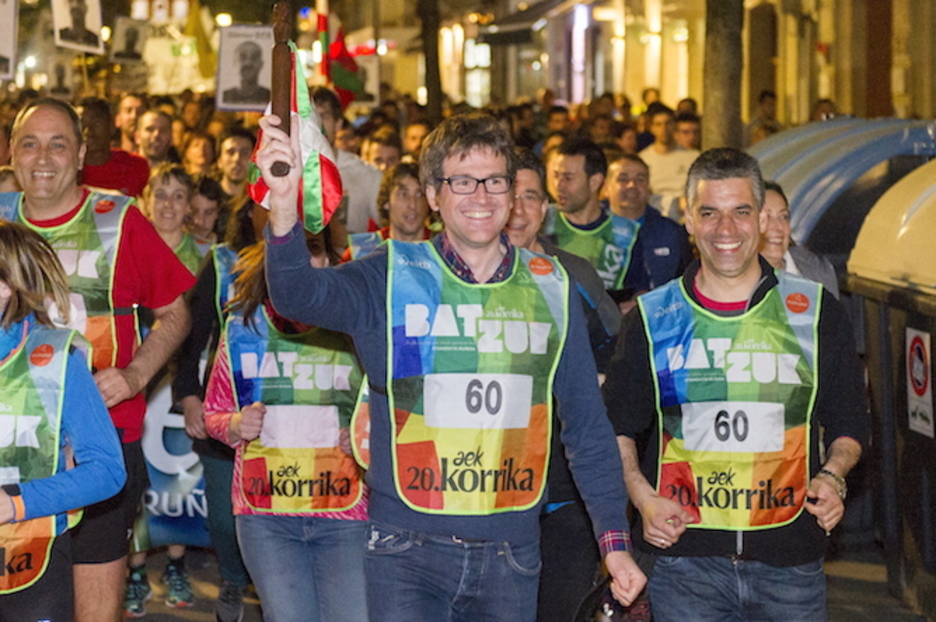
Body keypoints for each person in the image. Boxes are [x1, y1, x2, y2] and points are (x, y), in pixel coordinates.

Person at [257, 110, 646, 620]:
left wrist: (613, 541)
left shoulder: (551, 287)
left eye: (494, 181)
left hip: (512, 552)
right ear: (434, 195)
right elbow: (296, 296)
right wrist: (283, 214)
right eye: (462, 181)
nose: (481, 196)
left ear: (511, 193)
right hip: (405, 547)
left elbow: (587, 426)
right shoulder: (392, 275)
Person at [605, 148, 868, 621]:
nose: (725, 230)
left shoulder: (815, 312)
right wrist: (643, 500)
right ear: (688, 219)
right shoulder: (652, 318)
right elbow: (617, 428)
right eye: (709, 213)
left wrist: (833, 477)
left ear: (762, 218)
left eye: (741, 212)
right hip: (686, 564)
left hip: (790, 561)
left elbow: (850, 422)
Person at [0, 98, 195, 622]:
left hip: (99, 447)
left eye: (58, 143)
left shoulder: (117, 219)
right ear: (12, 154)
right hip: (12, 452)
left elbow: (176, 313)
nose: (43, 157)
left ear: (82, 153)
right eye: (29, 143)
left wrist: (135, 375)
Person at [203, 236, 369, 621]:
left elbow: (390, 405)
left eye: (315, 258)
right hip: (266, 518)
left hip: (343, 513)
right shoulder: (243, 329)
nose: (304, 273)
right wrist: (236, 424)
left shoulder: (356, 329)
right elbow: (214, 413)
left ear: (332, 265)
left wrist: (362, 435)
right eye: (293, 262)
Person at [504, 150, 622, 621]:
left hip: (567, 490)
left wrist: (595, 381)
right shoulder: (455, 280)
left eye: (530, 196)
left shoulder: (574, 274)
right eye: (506, 194)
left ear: (546, 208)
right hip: (488, 493)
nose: (517, 208)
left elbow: (622, 362)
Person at [0, 221, 126, 622]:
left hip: (28, 560)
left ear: (6, 287)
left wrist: (16, 502)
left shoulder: (55, 358)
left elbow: (107, 470)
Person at [125, 164, 204, 616]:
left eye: (179, 196)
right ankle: (134, 572)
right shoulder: (128, 248)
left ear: (190, 205)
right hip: (136, 378)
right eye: (162, 194)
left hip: (180, 385)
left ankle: (176, 564)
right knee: (138, 478)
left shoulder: (208, 256)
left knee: (179, 477)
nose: (170, 205)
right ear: (146, 200)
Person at [545, 136, 640, 292]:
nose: (559, 186)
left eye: (568, 178)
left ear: (595, 182)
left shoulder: (626, 235)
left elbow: (638, 292)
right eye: (556, 176)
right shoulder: (541, 222)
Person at [602, 154, 694, 309]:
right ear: (606, 187)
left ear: (648, 187)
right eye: (623, 179)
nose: (632, 185)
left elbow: (686, 284)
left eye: (640, 179)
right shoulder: (591, 230)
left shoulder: (671, 232)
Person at [311, 87, 383, 236]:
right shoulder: (284, 172)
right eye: (309, 117)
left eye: (323, 116)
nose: (316, 125)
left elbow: (390, 228)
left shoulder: (366, 175)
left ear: (338, 123)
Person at [760, 181, 839, 298]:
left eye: (784, 217)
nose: (778, 227)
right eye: (767, 217)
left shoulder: (819, 273)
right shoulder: (731, 280)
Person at [343, 162, 430, 261]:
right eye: (403, 194)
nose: (413, 204)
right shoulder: (362, 253)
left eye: (419, 194)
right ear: (387, 202)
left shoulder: (444, 249)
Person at [77, 97, 150, 197]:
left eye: (97, 123)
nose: (88, 131)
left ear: (111, 126)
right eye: (82, 124)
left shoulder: (136, 166)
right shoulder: (65, 169)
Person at [638, 106, 700, 220]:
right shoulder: (642, 160)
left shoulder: (693, 157)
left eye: (668, 123)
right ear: (651, 128)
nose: (664, 129)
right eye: (658, 124)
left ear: (674, 126)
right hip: (655, 216)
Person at [222, 41, 271, 106]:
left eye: (254, 57)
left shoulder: (269, 97)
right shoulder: (226, 96)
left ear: (261, 64)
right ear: (235, 62)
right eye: (242, 57)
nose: (248, 63)